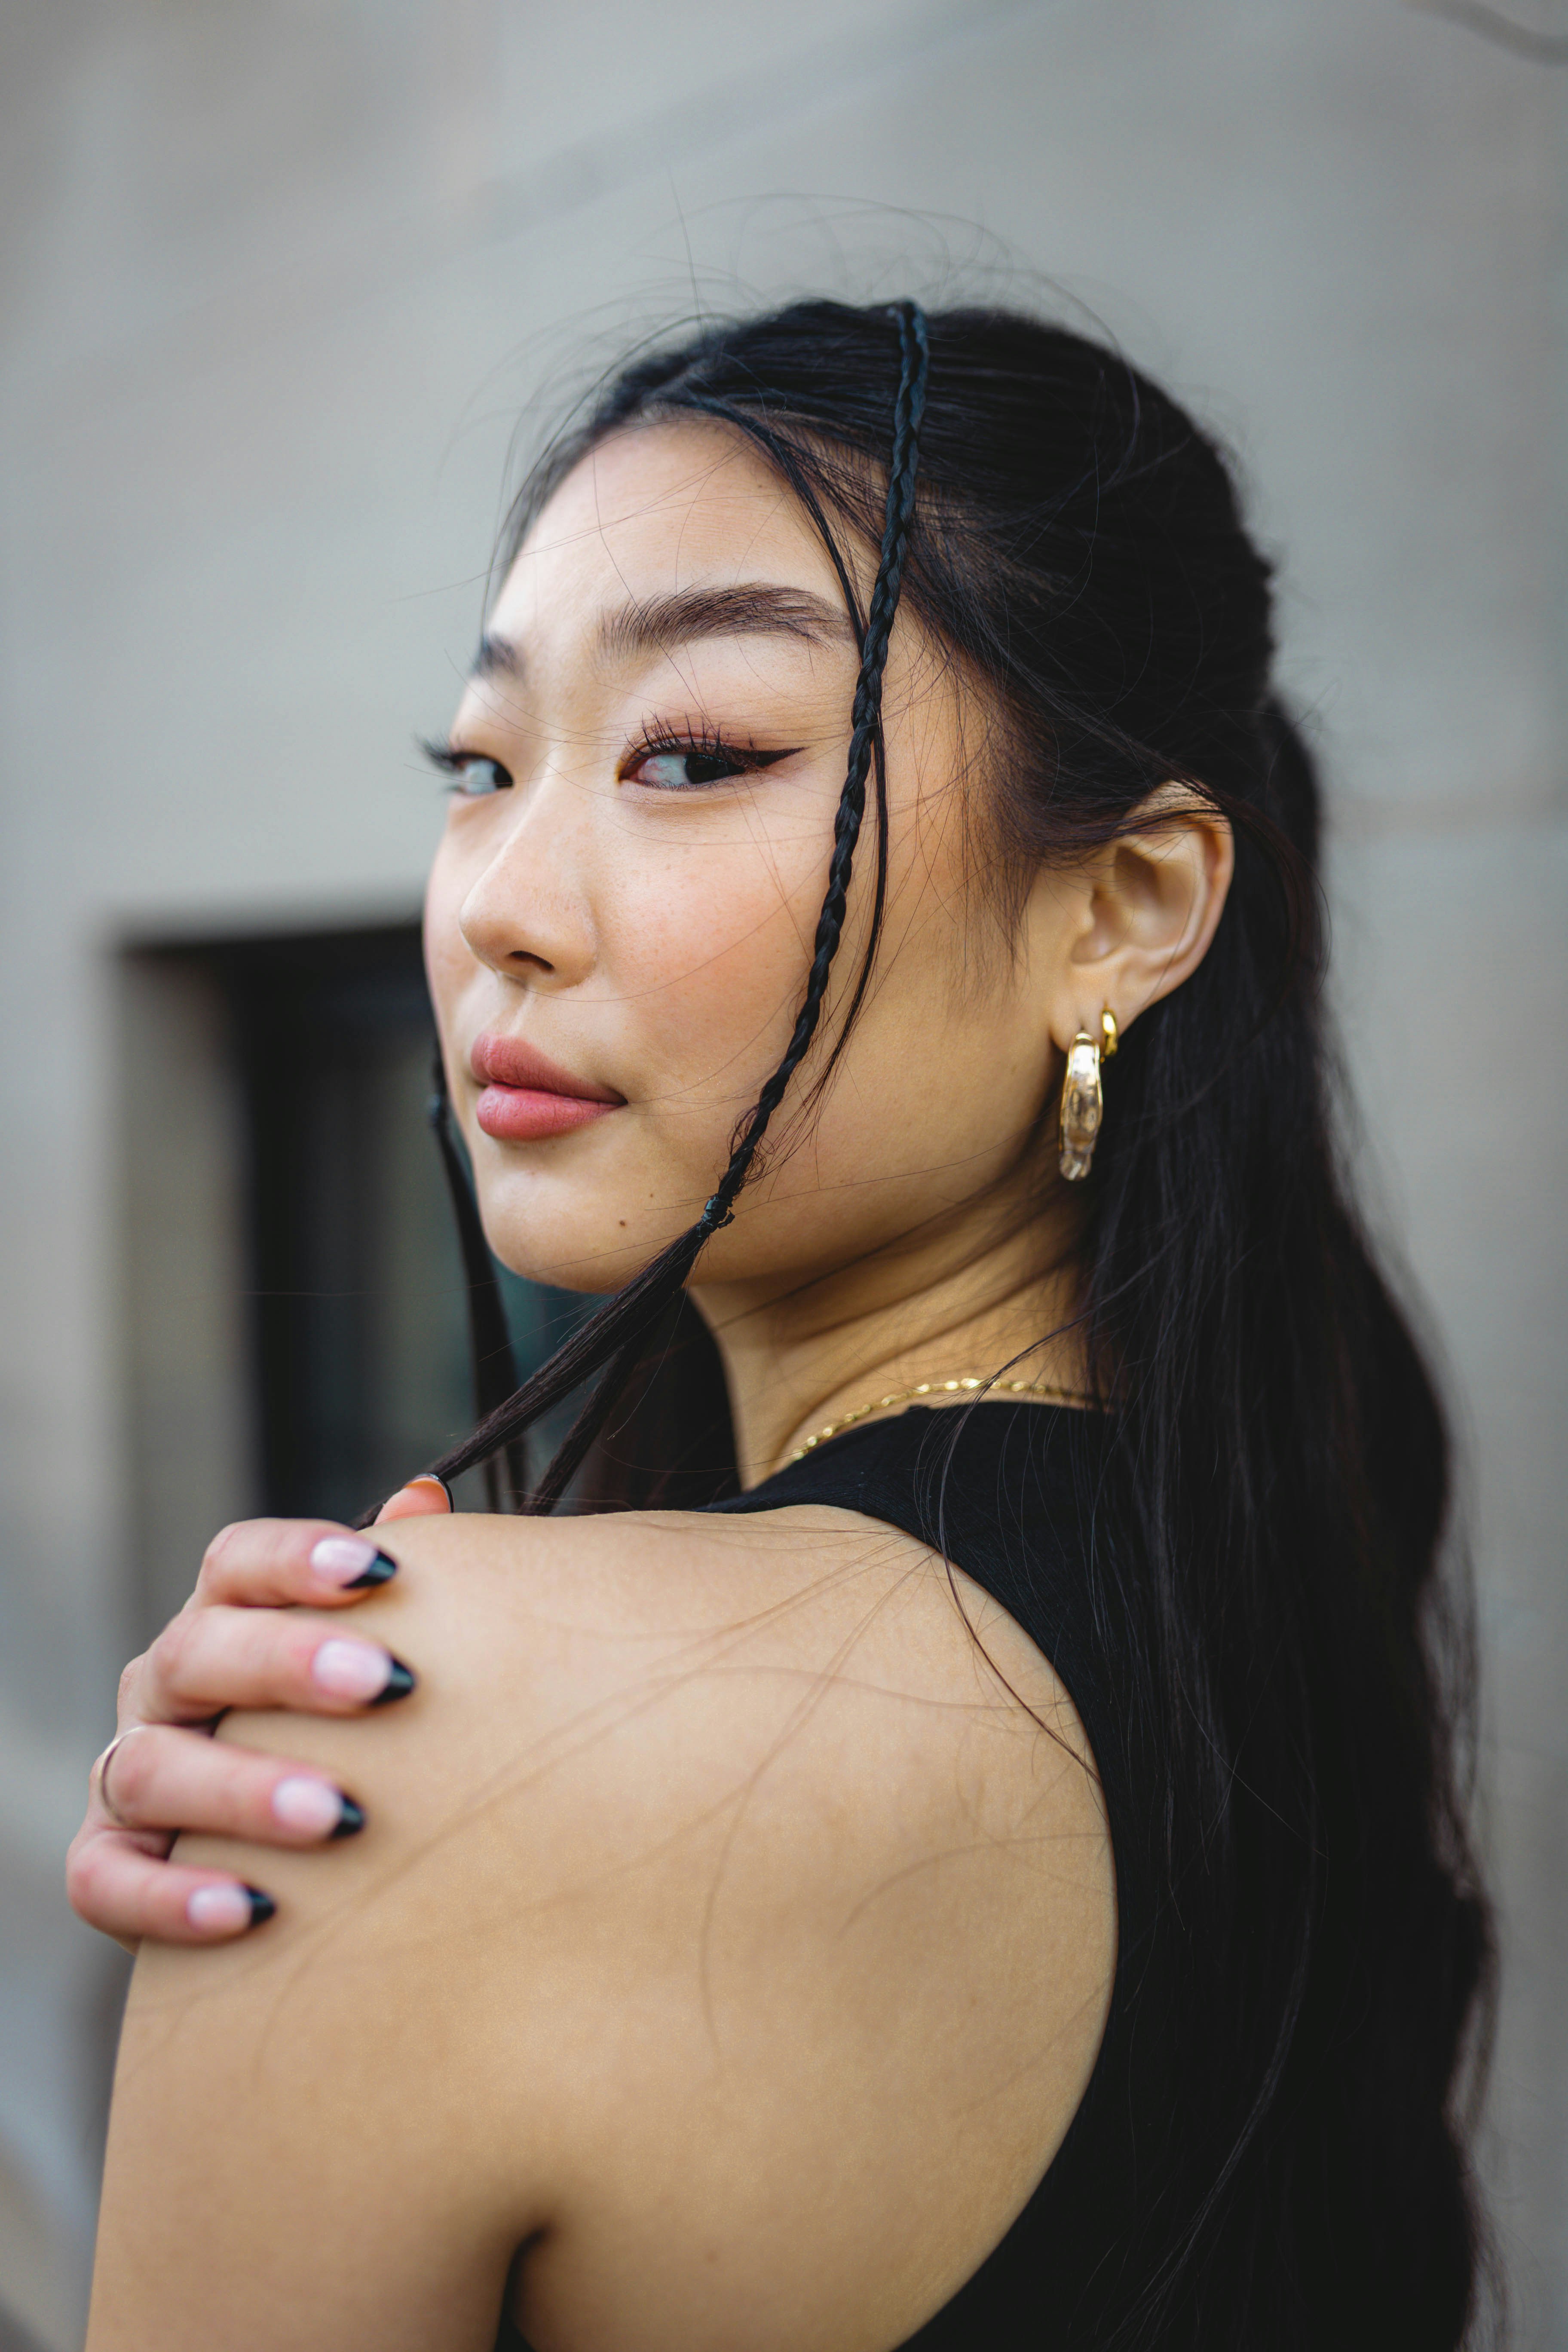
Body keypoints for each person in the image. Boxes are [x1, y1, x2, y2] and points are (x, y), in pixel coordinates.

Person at [69, 300, 1491, 2350]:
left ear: (1122, 909)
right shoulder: (1273, 1569)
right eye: (477, 762)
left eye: (696, 753)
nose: (495, 907)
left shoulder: (416, 1734)